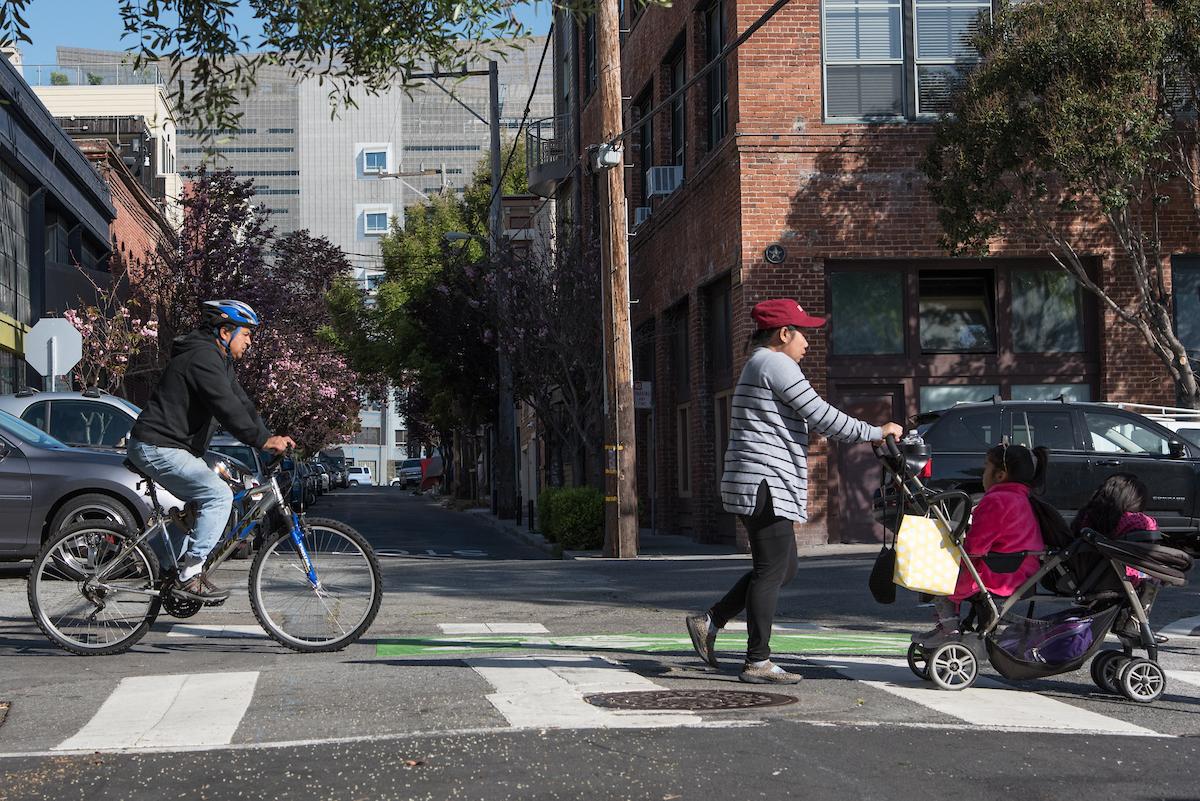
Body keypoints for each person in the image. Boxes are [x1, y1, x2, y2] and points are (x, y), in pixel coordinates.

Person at [685, 298, 904, 684]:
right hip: (764, 482)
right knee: (772, 571)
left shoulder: (759, 364)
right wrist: (876, 431)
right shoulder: (775, 364)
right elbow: (820, 413)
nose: (808, 342)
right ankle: (757, 661)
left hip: (757, 480)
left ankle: (711, 620)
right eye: (803, 333)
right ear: (783, 334)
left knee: (783, 568)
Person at [127, 300, 295, 603]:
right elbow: (225, 406)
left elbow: (241, 403)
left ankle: (163, 564)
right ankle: (190, 575)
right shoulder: (203, 357)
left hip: (173, 446)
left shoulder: (218, 360)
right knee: (218, 496)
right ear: (225, 330)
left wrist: (269, 436)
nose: (250, 341)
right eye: (246, 334)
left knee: (202, 508)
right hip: (156, 445)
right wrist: (261, 441)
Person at [914, 443, 1058, 648]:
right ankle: (948, 628)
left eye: (986, 468)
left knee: (940, 580)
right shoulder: (1019, 497)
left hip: (1000, 573)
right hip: (1019, 570)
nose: (983, 474)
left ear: (1000, 474)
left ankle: (948, 631)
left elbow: (975, 547)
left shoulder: (998, 500)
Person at [1071, 473, 1163, 630]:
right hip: (1120, 577)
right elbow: (1150, 544)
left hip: (1086, 575)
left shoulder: (1086, 516)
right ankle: (1134, 621)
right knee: (1152, 572)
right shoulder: (1137, 520)